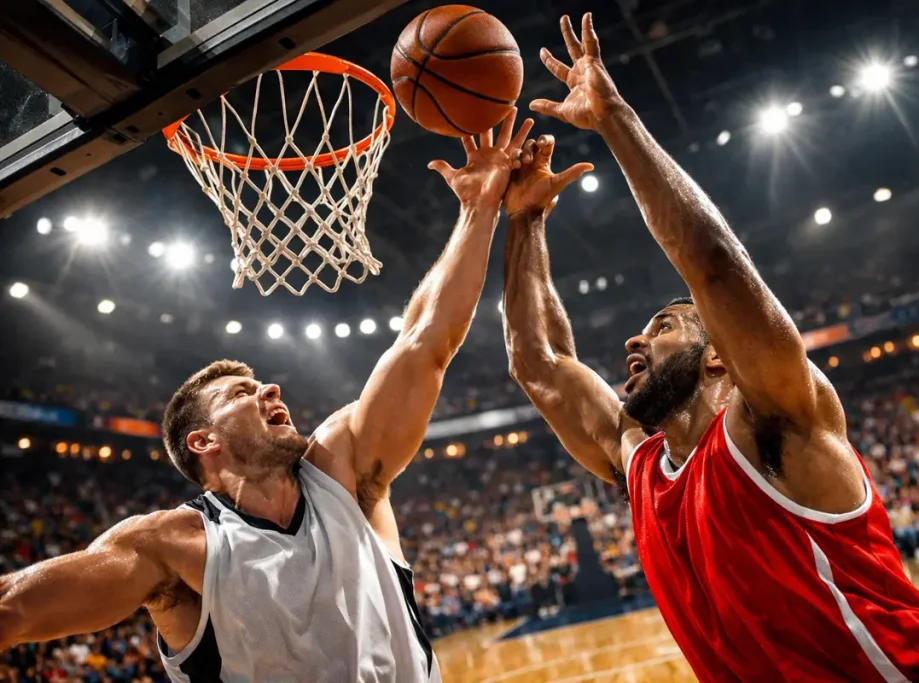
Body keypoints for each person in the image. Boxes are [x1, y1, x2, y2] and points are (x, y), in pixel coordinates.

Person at [501, 14, 919, 683]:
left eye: (663, 326)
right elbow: (538, 365)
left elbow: (714, 268)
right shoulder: (640, 462)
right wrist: (524, 220)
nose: (634, 340)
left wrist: (614, 119)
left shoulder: (774, 422)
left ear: (718, 357)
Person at [0, 111, 553, 683]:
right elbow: (13, 608)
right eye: (242, 392)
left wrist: (479, 207)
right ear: (203, 440)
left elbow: (424, 341)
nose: (270, 388)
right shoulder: (169, 547)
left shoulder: (343, 467)